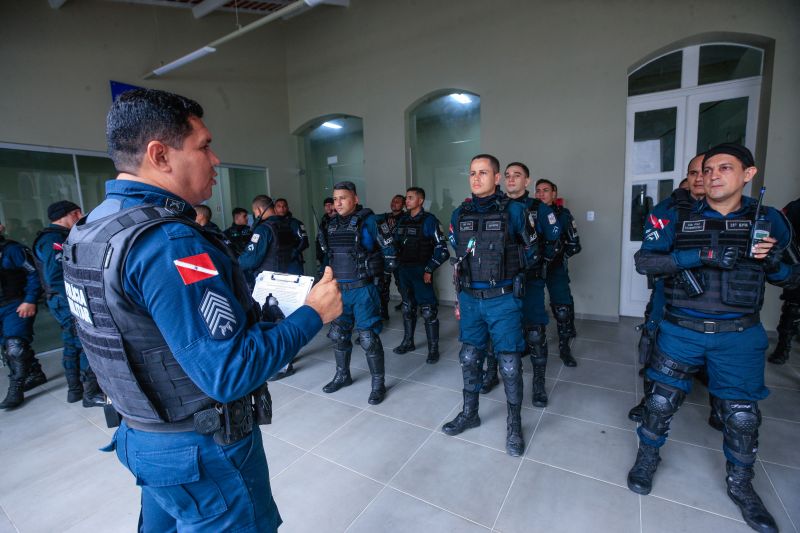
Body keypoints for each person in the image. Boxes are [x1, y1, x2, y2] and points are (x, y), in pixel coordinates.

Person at [62, 88, 342, 531]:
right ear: (160, 155)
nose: (215, 161)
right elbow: (230, 373)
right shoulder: (169, 243)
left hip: (143, 438)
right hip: (200, 452)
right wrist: (313, 314)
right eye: (205, 146)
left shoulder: (92, 229)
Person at [626, 143, 799, 533]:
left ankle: (741, 486)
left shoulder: (768, 220)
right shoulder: (675, 215)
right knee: (659, 401)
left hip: (738, 335)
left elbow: (793, 278)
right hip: (680, 329)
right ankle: (647, 459)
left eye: (725, 168)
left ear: (748, 174)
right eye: (707, 169)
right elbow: (645, 261)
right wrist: (698, 255)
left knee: (740, 416)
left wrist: (774, 263)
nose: (713, 176)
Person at [442, 154, 539, 457]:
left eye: (483, 173)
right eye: (472, 173)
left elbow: (534, 252)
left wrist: (511, 268)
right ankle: (470, 413)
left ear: (497, 178)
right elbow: (457, 252)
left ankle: (514, 424)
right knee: (470, 356)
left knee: (509, 364)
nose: (476, 178)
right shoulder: (460, 213)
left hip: (503, 299)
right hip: (471, 298)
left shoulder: (516, 212)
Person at [627, 154, 723, 430]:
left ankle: (720, 405)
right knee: (653, 336)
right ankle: (649, 400)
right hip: (673, 291)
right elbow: (646, 260)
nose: (698, 179)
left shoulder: (734, 210)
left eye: (703, 173)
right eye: (693, 173)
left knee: (721, 351)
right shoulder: (668, 211)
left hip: (719, 298)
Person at [482, 163, 559, 409]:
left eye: (518, 175)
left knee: (535, 333)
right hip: (501, 283)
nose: (511, 179)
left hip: (530, 282)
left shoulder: (541, 209)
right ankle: (491, 373)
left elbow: (554, 243)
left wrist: (538, 265)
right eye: (507, 175)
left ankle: (538, 384)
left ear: (527, 181)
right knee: (496, 332)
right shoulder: (496, 206)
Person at [318, 181, 396, 405]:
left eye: (343, 198)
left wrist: (381, 277)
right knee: (338, 335)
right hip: (339, 290)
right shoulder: (330, 225)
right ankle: (343, 375)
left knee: (368, 338)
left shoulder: (370, 221)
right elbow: (327, 258)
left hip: (363, 289)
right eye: (335, 199)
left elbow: (390, 252)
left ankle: (377, 383)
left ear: (355, 199)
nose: (338, 203)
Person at [32, 200, 105, 407]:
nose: (80, 215)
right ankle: (90, 393)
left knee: (72, 343)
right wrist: (77, 299)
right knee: (85, 344)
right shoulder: (53, 240)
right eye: (76, 212)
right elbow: (55, 275)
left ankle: (75, 390)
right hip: (67, 299)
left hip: (63, 299)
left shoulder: (57, 237)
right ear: (68, 214)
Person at [392, 187, 450, 363]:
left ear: (420, 200)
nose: (406, 201)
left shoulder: (429, 220)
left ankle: (433, 349)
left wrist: (429, 269)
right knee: (408, 308)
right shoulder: (402, 220)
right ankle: (408, 342)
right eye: (406, 198)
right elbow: (395, 244)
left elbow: (442, 250)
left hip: (421, 271)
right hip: (404, 270)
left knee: (427, 311)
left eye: (410, 198)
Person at [535, 178, 582, 366]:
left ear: (554, 194)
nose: (541, 194)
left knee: (562, 309)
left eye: (545, 190)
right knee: (532, 309)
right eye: (538, 190)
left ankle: (564, 348)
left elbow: (575, 245)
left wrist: (559, 257)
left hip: (555, 268)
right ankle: (529, 344)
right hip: (534, 269)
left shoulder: (564, 215)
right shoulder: (528, 213)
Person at [0, 225, 44, 409]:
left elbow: (34, 273)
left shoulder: (13, 250)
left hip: (15, 304)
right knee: (6, 347)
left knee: (15, 347)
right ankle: (34, 373)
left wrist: (30, 299)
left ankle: (16, 389)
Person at [239, 194, 303, 291]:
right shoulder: (286, 225)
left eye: (254, 212)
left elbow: (250, 260)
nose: (255, 215)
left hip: (268, 283)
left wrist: (234, 264)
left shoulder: (263, 229)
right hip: (286, 278)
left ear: (259, 210)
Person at [768, 196, 800, 364]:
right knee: (792, 309)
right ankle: (783, 347)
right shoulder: (795, 207)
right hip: (797, 264)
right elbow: (783, 236)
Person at [376, 194, 405, 319]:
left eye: (397, 202)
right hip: (385, 256)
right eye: (393, 201)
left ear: (403, 205)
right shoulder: (384, 218)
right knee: (383, 285)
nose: (394, 203)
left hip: (400, 256)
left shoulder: (406, 218)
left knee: (402, 283)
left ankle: (407, 303)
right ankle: (383, 311)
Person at [274, 198, 310, 275]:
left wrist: (294, 253)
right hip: (277, 263)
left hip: (293, 262)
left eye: (284, 206)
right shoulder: (271, 224)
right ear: (275, 208)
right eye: (279, 206)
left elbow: (305, 242)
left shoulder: (295, 223)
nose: (281, 208)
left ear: (287, 208)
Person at [315, 197, 335, 278]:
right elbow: (320, 236)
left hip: (336, 251)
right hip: (326, 251)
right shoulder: (324, 219)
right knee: (323, 274)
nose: (328, 207)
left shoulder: (339, 217)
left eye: (330, 205)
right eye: (326, 205)